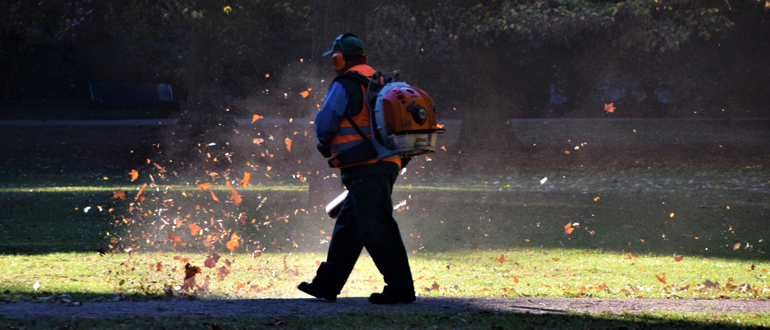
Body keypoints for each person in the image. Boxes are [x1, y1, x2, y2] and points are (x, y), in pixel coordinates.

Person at [298, 33, 416, 304]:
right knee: (350, 226)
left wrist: (323, 143)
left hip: (365, 165)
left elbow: (327, 122)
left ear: (340, 58)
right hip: (387, 163)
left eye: (334, 58)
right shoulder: (383, 81)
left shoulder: (346, 83)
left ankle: (401, 288)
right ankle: (327, 284)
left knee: (377, 227)